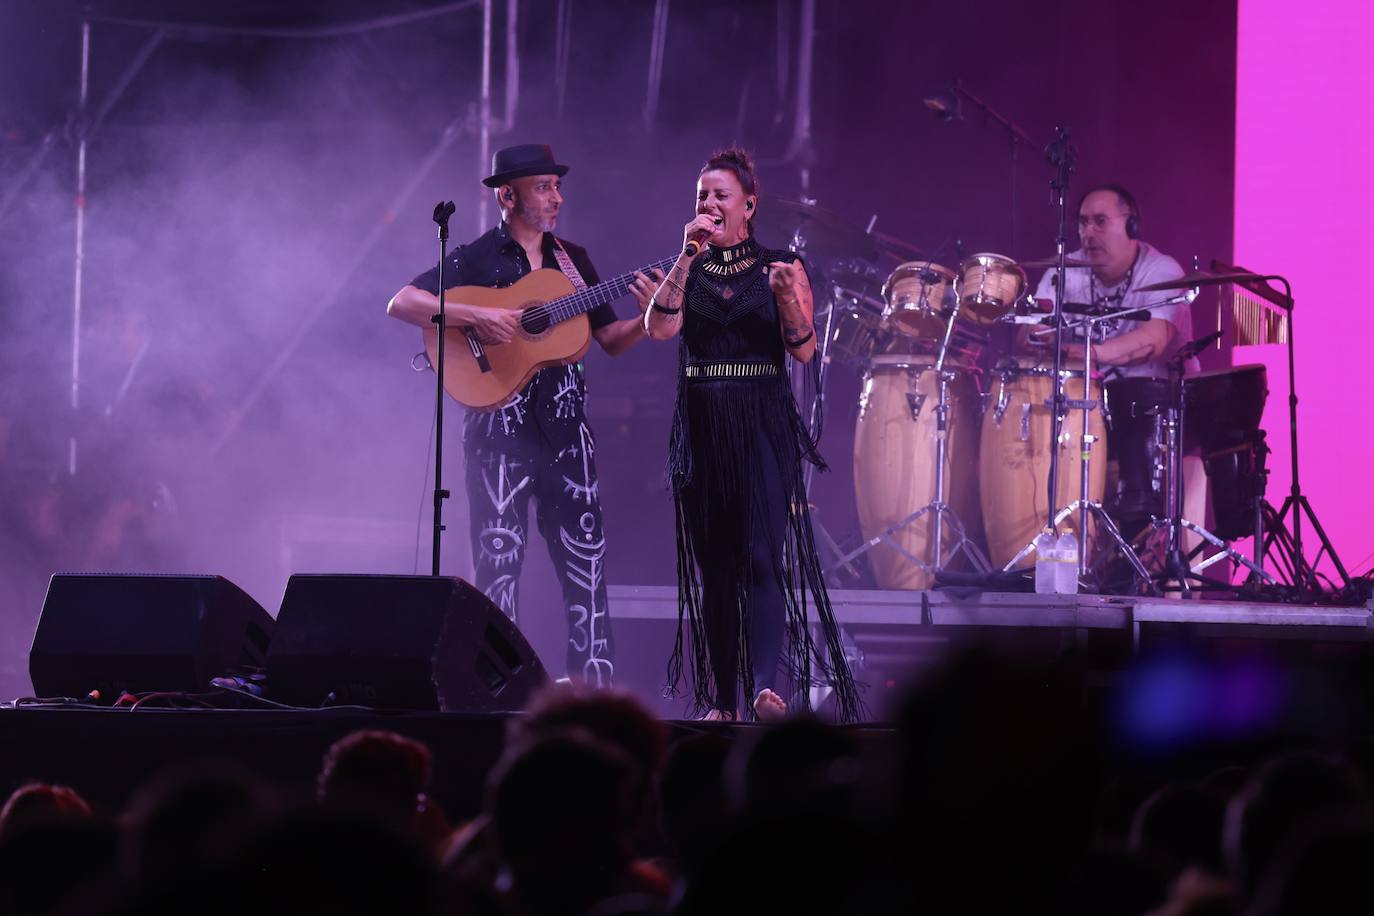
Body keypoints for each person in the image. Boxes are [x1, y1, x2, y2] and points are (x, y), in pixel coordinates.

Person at [388, 144, 660, 687]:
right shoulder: (476, 256)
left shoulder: (573, 261)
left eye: (558, 186)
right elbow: (402, 302)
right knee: (497, 575)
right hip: (496, 439)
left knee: (587, 571)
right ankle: (496, 691)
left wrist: (652, 315)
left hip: (566, 438)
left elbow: (611, 340)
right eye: (544, 187)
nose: (557, 197)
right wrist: (475, 315)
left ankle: (591, 693)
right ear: (506, 195)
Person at [643, 148, 859, 722]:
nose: (708, 205)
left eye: (719, 195)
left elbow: (805, 349)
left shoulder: (781, 266)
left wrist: (788, 296)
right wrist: (687, 257)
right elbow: (660, 329)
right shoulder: (684, 266)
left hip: (760, 422)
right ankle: (722, 700)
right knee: (715, 568)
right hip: (704, 423)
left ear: (749, 205)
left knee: (762, 556)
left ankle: (766, 688)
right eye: (701, 197)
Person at [1027, 184, 1194, 377]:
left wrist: (1088, 353)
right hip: (1085, 401)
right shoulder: (1063, 272)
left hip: (1156, 402)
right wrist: (1039, 335)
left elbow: (1151, 342)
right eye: (1083, 223)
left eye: (1100, 221)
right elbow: (1031, 329)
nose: (1088, 233)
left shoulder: (1162, 271)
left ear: (1132, 227)